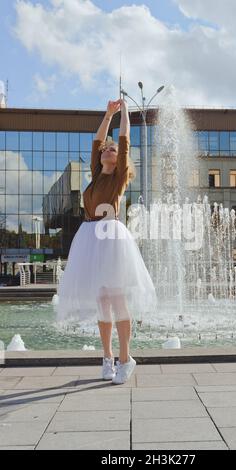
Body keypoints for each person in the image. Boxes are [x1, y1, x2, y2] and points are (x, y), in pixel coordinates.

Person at [55, 98, 157, 385]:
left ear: (120, 157)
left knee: (116, 297)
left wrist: (124, 111)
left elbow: (123, 138)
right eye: (106, 150)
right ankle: (107, 357)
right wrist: (107, 114)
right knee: (101, 301)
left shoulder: (120, 175)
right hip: (89, 236)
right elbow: (97, 139)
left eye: (112, 150)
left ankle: (126, 358)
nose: (108, 150)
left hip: (109, 235)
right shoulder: (97, 173)